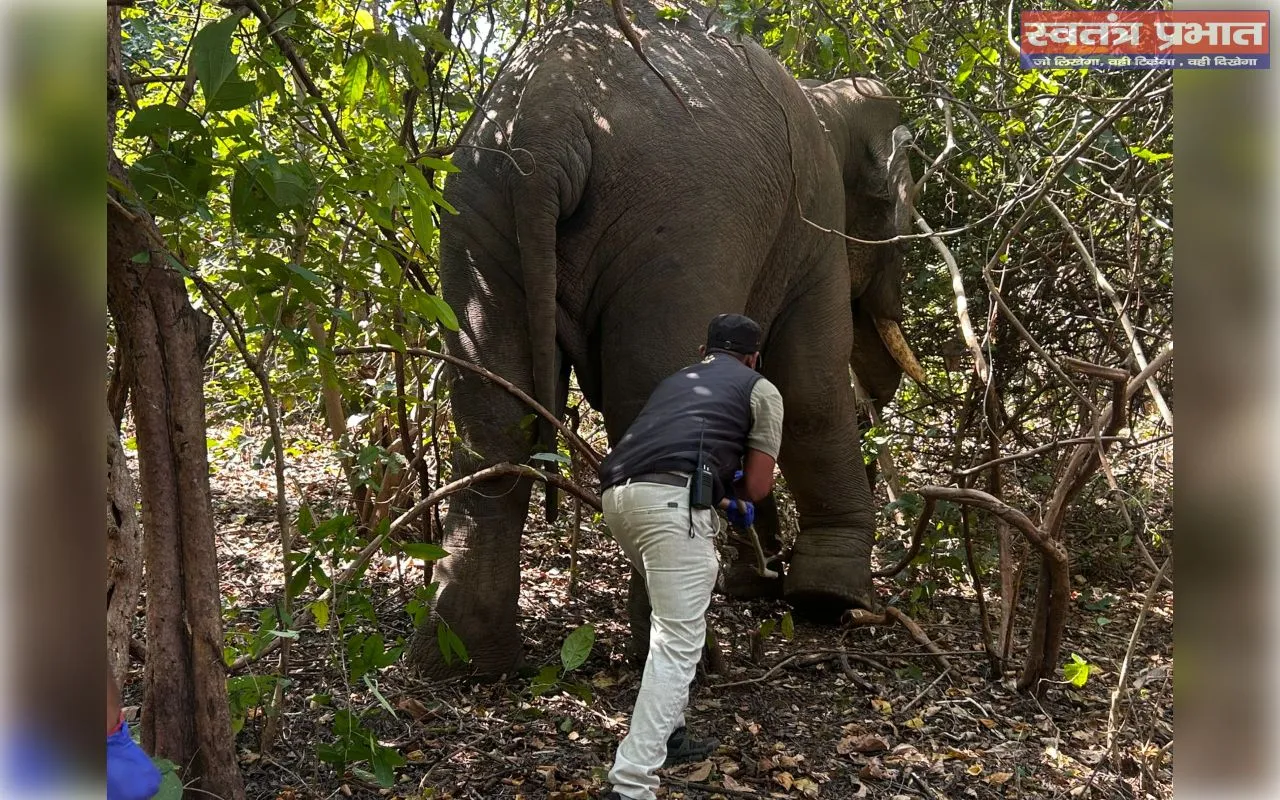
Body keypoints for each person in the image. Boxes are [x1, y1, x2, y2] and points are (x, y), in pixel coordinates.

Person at [596, 313, 784, 800]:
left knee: (669, 617)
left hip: (619, 499)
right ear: (753, 358)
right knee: (677, 642)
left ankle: (672, 734)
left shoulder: (678, 381)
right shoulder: (760, 389)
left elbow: (669, 451)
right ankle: (631, 783)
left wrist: (717, 493)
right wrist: (737, 493)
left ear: (706, 352)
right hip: (671, 508)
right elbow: (759, 485)